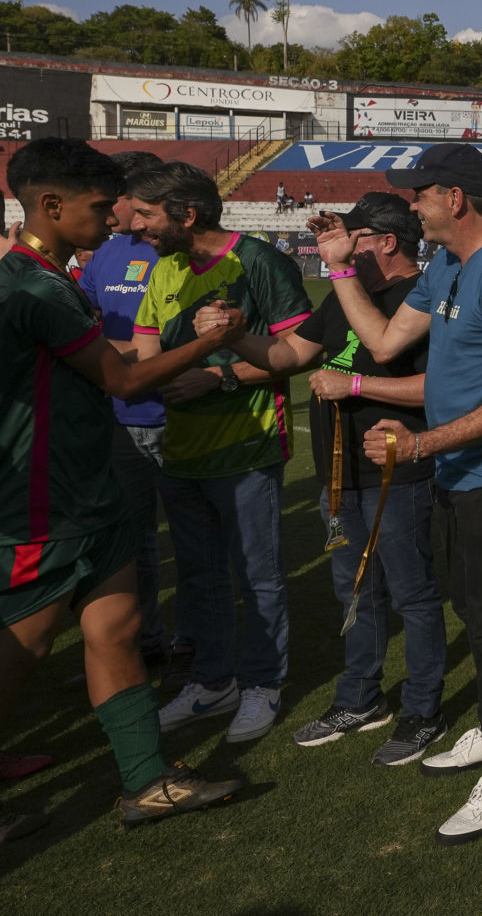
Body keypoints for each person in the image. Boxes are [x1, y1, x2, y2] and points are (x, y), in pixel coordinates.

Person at [0, 138, 248, 838]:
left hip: (87, 490)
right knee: (22, 649)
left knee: (117, 628)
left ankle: (147, 781)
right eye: (100, 207)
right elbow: (123, 378)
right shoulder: (33, 286)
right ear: (49, 206)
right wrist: (212, 338)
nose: (113, 220)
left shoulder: (49, 277)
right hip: (42, 503)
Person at [309, 143, 482, 844]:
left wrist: (419, 444)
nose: (413, 205)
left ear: (456, 198)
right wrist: (336, 265)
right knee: (472, 606)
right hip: (458, 470)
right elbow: (383, 342)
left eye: (421, 193)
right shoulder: (450, 262)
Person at [201, 192, 446, 765]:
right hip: (339, 476)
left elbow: (438, 387)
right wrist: (232, 334)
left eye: (354, 238)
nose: (340, 248)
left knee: (413, 595)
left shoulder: (423, 295)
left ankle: (422, 709)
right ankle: (360, 697)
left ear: (387, 242)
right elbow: (286, 356)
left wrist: (356, 387)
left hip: (399, 470)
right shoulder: (343, 294)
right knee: (354, 590)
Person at [129, 164, 312, 746]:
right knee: (199, 578)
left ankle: (262, 683)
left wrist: (221, 377)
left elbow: (301, 352)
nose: (135, 226)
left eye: (147, 215)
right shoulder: (164, 269)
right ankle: (212, 681)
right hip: (178, 451)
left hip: (247, 447)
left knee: (258, 577)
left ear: (188, 214)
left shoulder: (259, 261)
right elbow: (144, 349)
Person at [75, 151, 174, 672]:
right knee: (134, 545)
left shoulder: (173, 250)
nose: (114, 207)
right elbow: (86, 316)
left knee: (199, 541)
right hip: (119, 419)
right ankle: (150, 636)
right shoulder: (108, 251)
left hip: (180, 416)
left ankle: (204, 642)